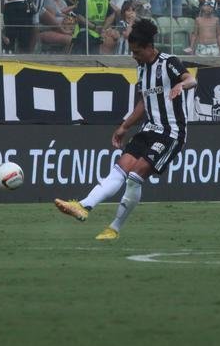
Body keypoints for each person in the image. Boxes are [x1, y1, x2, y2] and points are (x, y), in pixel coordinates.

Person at [54, 19, 196, 240]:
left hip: (171, 133)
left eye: (137, 51)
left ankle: (114, 228)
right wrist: (124, 127)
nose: (134, 56)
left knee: (134, 175)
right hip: (149, 129)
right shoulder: (142, 69)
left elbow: (191, 79)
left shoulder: (169, 62)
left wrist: (180, 85)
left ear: (149, 47)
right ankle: (83, 206)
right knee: (119, 169)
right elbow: (143, 103)